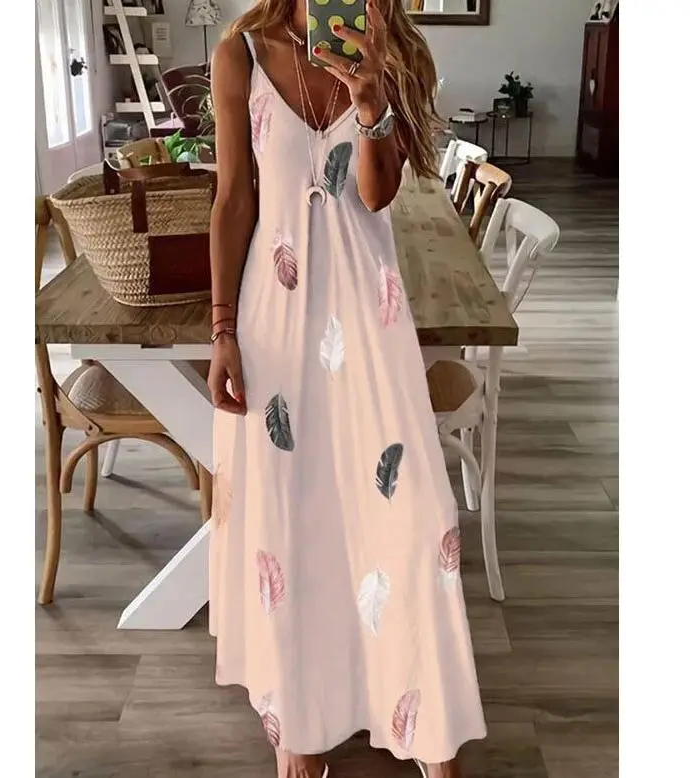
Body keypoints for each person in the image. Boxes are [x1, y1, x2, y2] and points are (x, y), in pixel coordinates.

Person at [207, 1, 486, 775]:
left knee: (413, 513)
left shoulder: (384, 48)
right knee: (289, 514)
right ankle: (299, 722)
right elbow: (233, 199)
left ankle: (424, 716)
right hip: (273, 315)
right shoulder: (241, 54)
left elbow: (375, 194)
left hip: (370, 312)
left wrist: (370, 103)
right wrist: (223, 329)